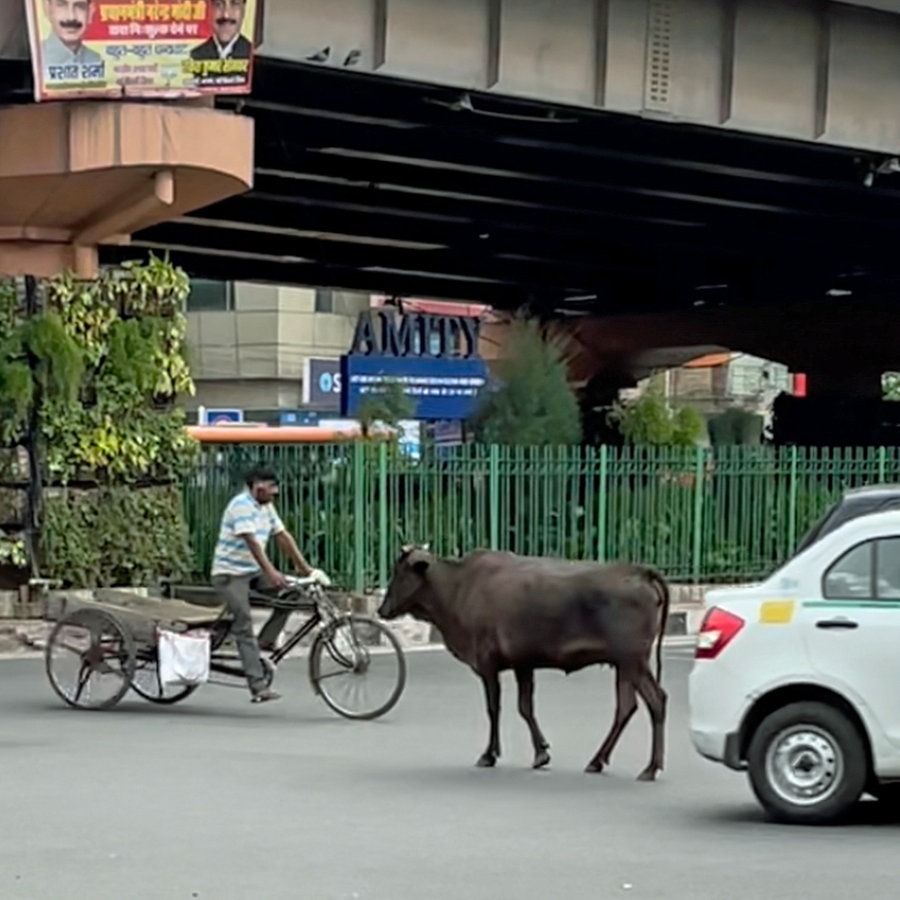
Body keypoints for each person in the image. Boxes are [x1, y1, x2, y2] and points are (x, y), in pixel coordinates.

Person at [211, 468, 331, 703]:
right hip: (229, 574)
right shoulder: (241, 506)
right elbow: (253, 543)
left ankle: (265, 641)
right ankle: (257, 686)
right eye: (271, 490)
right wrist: (272, 572)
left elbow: (283, 536)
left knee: (292, 593)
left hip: (252, 571)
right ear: (257, 486)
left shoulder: (266, 507)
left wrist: (305, 570)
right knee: (243, 623)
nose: (274, 495)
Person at [41, 0, 103, 73]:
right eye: (62, 5)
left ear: (90, 12)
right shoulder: (36, 57)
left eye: (80, 6)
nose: (71, 17)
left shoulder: (96, 60)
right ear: (47, 9)